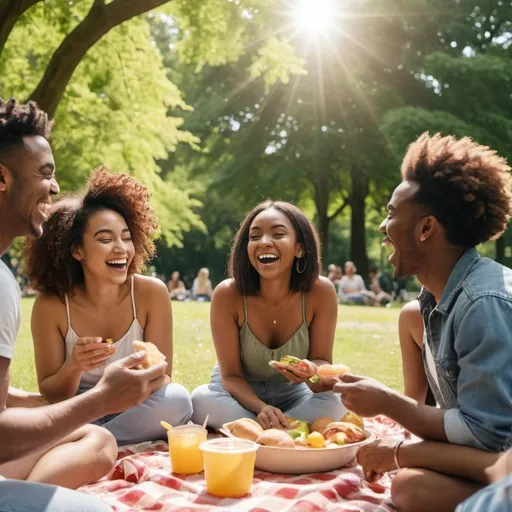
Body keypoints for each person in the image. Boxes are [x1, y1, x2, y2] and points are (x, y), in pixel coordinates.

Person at [0, 98, 167, 511]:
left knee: (100, 438)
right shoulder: (8, 288)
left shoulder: (149, 292)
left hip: (93, 420)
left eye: (126, 236)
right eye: (45, 174)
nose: (55, 188)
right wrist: (98, 400)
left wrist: (46, 404)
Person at [332, 132, 512, 511]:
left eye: (391, 214)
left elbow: (491, 441)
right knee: (412, 487)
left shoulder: (483, 304)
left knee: (411, 487)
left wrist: (396, 429)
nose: (383, 228)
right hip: (493, 459)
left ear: (426, 228)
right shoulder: (434, 301)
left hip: (501, 460)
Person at [24, 167, 192, 445]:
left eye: (126, 238)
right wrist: (74, 366)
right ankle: (92, 440)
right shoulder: (52, 305)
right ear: (77, 250)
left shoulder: (151, 293)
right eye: (105, 239)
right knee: (43, 410)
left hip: (134, 406)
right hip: (81, 410)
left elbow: (163, 377)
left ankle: (85, 442)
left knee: (177, 399)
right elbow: (52, 395)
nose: (121, 248)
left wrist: (132, 381)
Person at [191, 200, 345, 429]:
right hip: (238, 394)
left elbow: (322, 361)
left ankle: (253, 430)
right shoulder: (227, 294)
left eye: (278, 234)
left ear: (299, 248)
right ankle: (283, 427)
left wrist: (312, 371)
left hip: (294, 395)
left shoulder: (320, 291)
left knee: (337, 402)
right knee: (201, 400)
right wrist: (261, 408)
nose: (263, 242)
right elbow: (231, 376)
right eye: (254, 237)